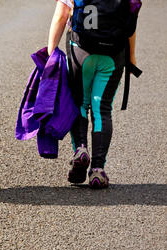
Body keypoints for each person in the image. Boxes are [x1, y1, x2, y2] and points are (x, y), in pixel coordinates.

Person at [47, 0, 141, 188]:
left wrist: (50, 54)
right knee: (102, 108)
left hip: (81, 49)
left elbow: (61, 16)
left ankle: (81, 150)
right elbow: (130, 23)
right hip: (113, 55)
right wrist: (131, 58)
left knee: (80, 103)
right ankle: (98, 170)